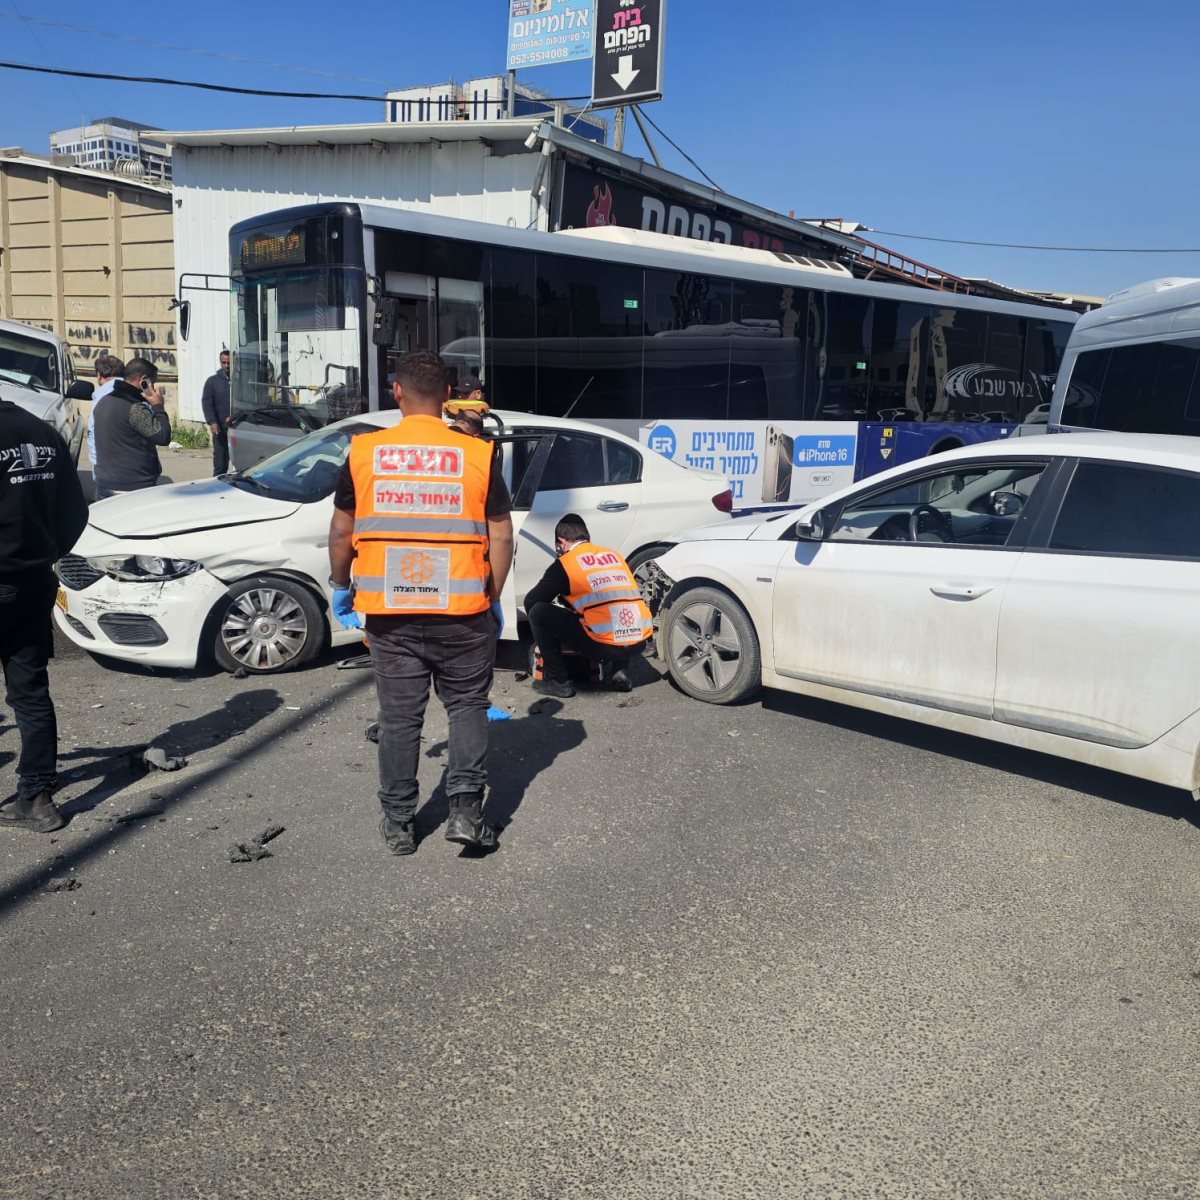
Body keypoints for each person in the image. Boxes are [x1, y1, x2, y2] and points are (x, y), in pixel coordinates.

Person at [328, 351, 515, 857]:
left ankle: (398, 824)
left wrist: (340, 582)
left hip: (391, 615)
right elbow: (501, 535)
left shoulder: (364, 452)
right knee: (467, 708)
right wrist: (492, 594)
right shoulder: (476, 453)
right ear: (447, 397)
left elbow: (343, 528)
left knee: (399, 720)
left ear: (397, 393)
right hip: (464, 612)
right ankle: (464, 813)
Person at [0, 392, 89, 833]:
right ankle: (36, 797)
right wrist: (46, 553)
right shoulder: (42, 431)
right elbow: (75, 512)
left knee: (29, 691)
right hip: (34, 582)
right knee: (30, 690)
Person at [524, 514, 654, 699]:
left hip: (602, 645)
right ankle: (620, 671)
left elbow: (532, 601)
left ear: (561, 541)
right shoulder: (614, 555)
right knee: (615, 609)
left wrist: (548, 638)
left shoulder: (566, 563)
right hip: (638, 641)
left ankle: (558, 682)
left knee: (539, 612)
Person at [92, 357, 171, 501]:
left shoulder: (104, 401)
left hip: (104, 485)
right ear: (143, 379)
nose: (153, 387)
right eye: (152, 382)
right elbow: (163, 436)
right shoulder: (133, 407)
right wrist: (158, 405)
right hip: (131, 490)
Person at [85, 352, 124, 474]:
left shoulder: (101, 396)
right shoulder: (135, 391)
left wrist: (96, 462)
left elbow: (93, 432)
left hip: (106, 467)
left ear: (99, 375)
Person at [201, 350, 231, 475]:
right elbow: (207, 403)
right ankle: (217, 483)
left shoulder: (241, 380)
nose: (227, 366)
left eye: (229, 363)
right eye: (224, 363)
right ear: (220, 362)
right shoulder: (212, 382)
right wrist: (212, 421)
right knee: (220, 461)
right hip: (220, 427)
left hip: (237, 426)